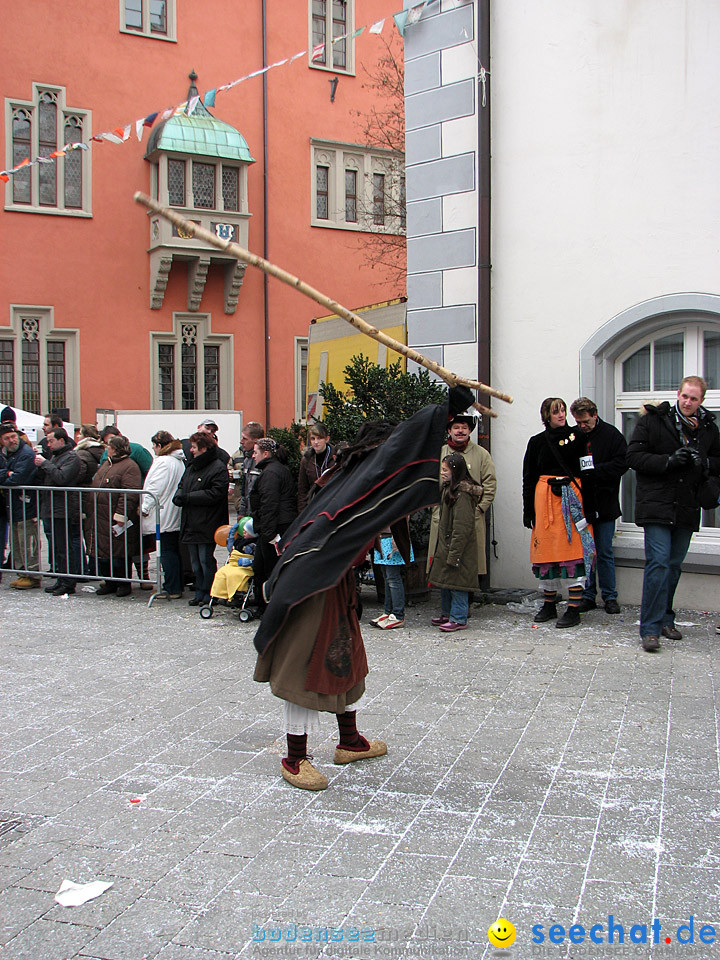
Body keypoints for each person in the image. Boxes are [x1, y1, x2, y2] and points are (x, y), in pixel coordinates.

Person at [252, 385, 475, 792]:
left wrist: (449, 411)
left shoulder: (355, 477)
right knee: (304, 670)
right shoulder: (354, 479)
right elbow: (402, 448)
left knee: (345, 663)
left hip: (335, 587)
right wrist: (446, 407)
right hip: (311, 589)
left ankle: (350, 741)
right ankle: (295, 758)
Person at [627, 375, 720, 652]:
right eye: (685, 396)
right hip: (656, 505)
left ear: (701, 400)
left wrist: (703, 461)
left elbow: (718, 462)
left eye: (694, 398)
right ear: (677, 394)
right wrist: (668, 461)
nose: (688, 402)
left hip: (687, 505)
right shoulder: (654, 420)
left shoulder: (708, 429)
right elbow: (633, 457)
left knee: (674, 565)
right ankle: (650, 629)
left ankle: (666, 618)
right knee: (658, 563)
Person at [522, 398, 596, 628]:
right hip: (545, 503)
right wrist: (528, 510)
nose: (561, 415)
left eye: (563, 410)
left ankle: (573, 608)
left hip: (572, 501)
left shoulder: (579, 438)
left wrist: (591, 506)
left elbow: (588, 471)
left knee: (572, 550)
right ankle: (549, 604)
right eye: (556, 412)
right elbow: (528, 478)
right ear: (546, 415)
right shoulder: (536, 442)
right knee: (546, 552)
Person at [570, 397, 628, 615]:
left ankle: (610, 597)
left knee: (604, 552)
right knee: (587, 553)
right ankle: (588, 595)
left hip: (605, 502)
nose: (582, 426)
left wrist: (597, 471)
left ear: (595, 415)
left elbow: (622, 463)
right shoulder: (575, 437)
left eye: (585, 421)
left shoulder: (612, 435)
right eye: (578, 422)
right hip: (583, 504)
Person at [427, 412, 496, 589]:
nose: (460, 431)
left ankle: (466, 600)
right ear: (449, 430)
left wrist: (480, 509)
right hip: (442, 516)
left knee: (468, 560)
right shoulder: (439, 452)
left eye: (464, 428)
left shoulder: (482, 454)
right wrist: (434, 507)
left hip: (470, 517)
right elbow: (428, 482)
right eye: (456, 427)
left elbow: (490, 484)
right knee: (442, 557)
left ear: (470, 431)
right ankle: (446, 603)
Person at [173, 431, 229, 606]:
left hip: (208, 521)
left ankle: (210, 591)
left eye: (194, 447)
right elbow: (183, 484)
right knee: (195, 561)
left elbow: (215, 493)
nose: (191, 450)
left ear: (204, 448)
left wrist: (189, 497)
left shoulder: (217, 467)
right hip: (191, 520)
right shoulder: (192, 466)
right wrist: (179, 495)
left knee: (205, 559)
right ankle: (200, 590)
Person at [428, 453, 483, 632]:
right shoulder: (449, 489)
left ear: (455, 471)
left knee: (458, 582)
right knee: (446, 580)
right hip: (448, 543)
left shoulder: (463, 494)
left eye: (445, 469)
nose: (442, 473)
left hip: (458, 546)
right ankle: (446, 613)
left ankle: (458, 617)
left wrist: (455, 552)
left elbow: (462, 526)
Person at [88, 435, 142, 597]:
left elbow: (129, 494)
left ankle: (123, 583)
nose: (106, 449)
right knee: (103, 552)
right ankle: (110, 582)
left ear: (115, 449)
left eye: (109, 446)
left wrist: (121, 514)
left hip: (114, 516)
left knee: (120, 552)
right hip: (100, 515)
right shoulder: (107, 464)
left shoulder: (129, 467)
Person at [249, 437, 297, 612]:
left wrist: (268, 533)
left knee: (268, 569)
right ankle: (263, 603)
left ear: (266, 453)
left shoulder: (271, 473)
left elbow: (269, 504)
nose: (253, 456)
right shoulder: (275, 470)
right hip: (277, 525)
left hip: (275, 527)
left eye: (256, 452)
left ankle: (270, 607)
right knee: (262, 567)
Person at [34, 428, 84, 596]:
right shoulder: (56, 456)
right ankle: (62, 579)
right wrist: (41, 465)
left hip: (62, 508)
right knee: (57, 546)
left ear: (61, 440)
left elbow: (62, 478)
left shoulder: (71, 457)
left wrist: (45, 464)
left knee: (64, 546)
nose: (48, 444)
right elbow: (47, 477)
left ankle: (68, 581)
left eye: (51, 441)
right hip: (52, 506)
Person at [140, 431, 186, 599]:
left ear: (160, 445)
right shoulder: (178, 461)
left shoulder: (163, 462)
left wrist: (145, 507)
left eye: (154, 445)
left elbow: (155, 488)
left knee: (166, 551)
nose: (152, 448)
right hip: (172, 511)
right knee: (172, 550)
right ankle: (175, 585)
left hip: (163, 512)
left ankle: (171, 587)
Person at [0, 424, 40, 588]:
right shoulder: (7, 455)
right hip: (14, 506)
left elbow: (17, 479)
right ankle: (22, 572)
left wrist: (8, 475)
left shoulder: (25, 454)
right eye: (7, 438)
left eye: (13, 436)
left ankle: (32, 574)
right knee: (17, 542)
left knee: (27, 542)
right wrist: (6, 473)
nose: (11, 440)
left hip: (26, 506)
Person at [370, 518, 413, 630]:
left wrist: (397, 542)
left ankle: (398, 615)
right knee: (387, 577)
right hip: (382, 538)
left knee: (393, 578)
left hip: (392, 539)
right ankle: (388, 611)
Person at [297, 423, 334, 513]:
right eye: (313, 439)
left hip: (332, 506)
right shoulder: (306, 460)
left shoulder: (335, 457)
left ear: (327, 439)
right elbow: (302, 489)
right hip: (313, 507)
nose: (316, 442)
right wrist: (302, 512)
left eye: (319, 438)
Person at [230, 421, 264, 515]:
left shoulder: (263, 462)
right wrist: (242, 512)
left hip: (258, 515)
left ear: (256, 440)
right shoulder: (247, 460)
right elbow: (244, 491)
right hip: (247, 514)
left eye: (245, 438)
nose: (241, 441)